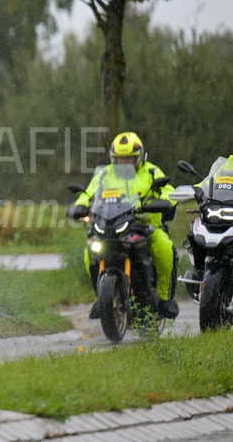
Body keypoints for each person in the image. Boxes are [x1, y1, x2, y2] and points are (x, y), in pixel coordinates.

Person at [67, 132, 178, 318]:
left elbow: (167, 191)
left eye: (129, 159)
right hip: (112, 225)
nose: (125, 163)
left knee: (164, 247)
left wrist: (164, 201)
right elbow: (88, 193)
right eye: (120, 159)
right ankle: (103, 299)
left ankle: (163, 299)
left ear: (140, 156)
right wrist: (80, 206)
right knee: (89, 253)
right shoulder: (104, 174)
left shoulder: (151, 171)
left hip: (145, 226)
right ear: (113, 158)